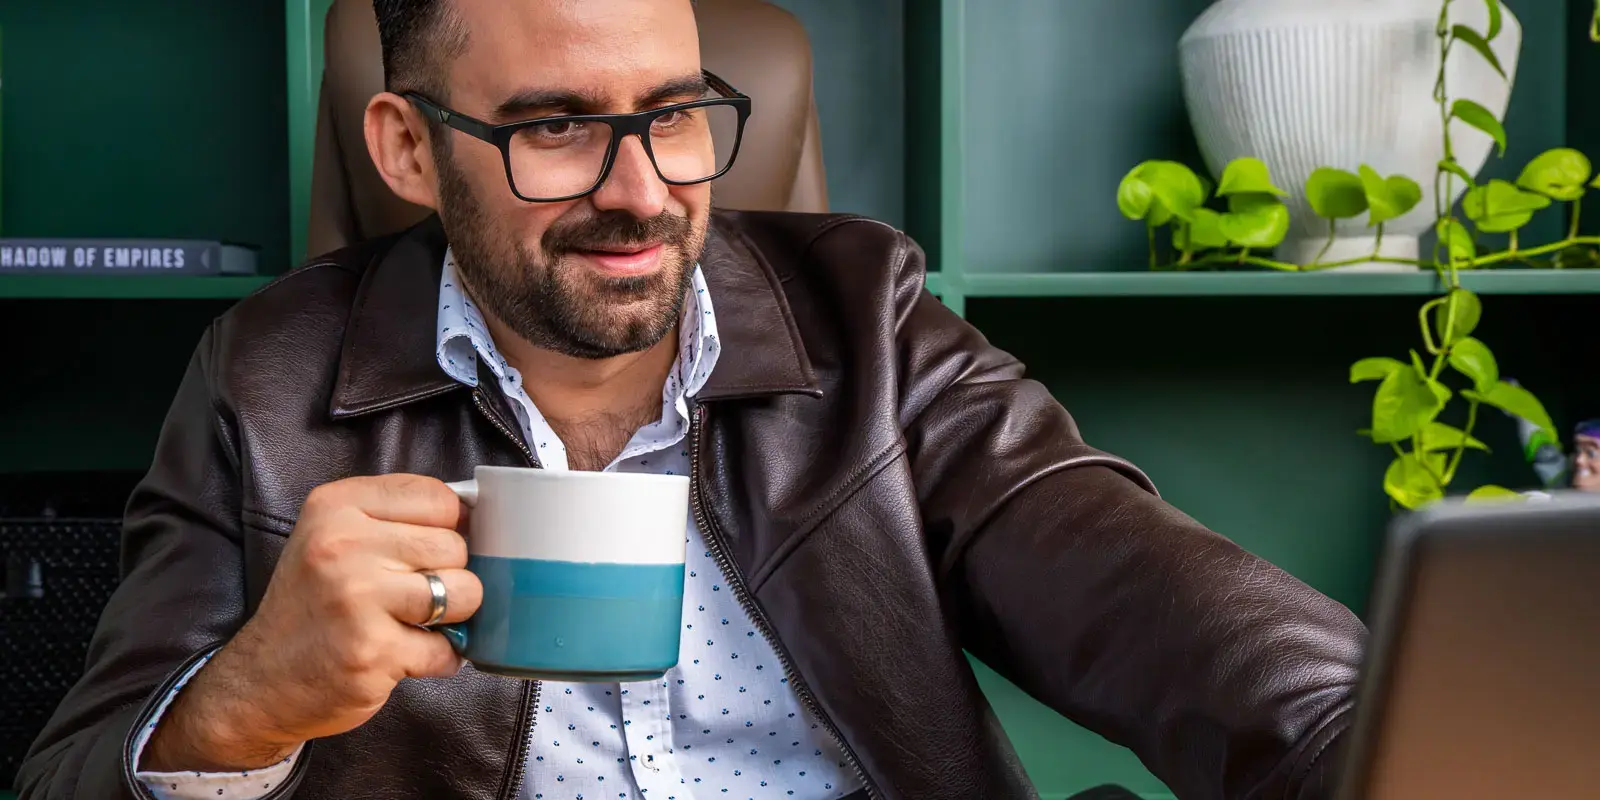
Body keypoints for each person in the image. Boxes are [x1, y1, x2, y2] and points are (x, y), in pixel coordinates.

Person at [17, 1, 1368, 798]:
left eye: (672, 114)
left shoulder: (868, 319)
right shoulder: (263, 378)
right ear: (410, 149)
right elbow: (75, 771)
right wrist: (247, 701)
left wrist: (1375, 739)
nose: (642, 191)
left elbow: (1149, 598)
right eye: (555, 126)